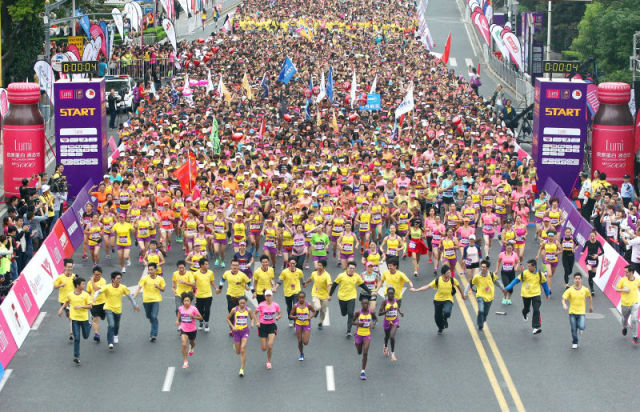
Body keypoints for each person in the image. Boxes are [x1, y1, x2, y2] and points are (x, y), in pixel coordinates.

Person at [410, 265, 466, 334]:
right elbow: (427, 286)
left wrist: (462, 295)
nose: (449, 274)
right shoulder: (437, 280)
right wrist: (416, 290)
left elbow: (458, 286)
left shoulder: (452, 280)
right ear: (443, 274)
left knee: (447, 312)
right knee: (437, 318)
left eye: (450, 272)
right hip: (438, 301)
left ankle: (445, 319)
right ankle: (440, 327)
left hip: (448, 300)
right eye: (448, 273)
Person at [92, 271, 140, 349]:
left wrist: (135, 305)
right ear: (113, 279)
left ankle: (115, 335)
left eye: (120, 278)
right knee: (111, 325)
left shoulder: (123, 287)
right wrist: (95, 297)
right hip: (108, 308)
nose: (119, 280)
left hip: (118, 309)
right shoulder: (107, 287)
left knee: (116, 325)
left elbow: (129, 296)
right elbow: (98, 291)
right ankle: (110, 343)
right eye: (117, 278)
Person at [504, 260, 551, 335]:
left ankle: (536, 327)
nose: (528, 267)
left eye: (529, 266)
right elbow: (516, 280)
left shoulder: (540, 274)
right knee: (526, 308)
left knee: (536, 309)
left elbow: (544, 284)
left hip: (536, 294)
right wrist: (508, 287)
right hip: (526, 294)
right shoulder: (525, 273)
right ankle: (525, 313)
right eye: (528, 266)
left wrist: (547, 294)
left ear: (534, 266)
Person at [329, 261, 371, 338]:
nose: (352, 270)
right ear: (347, 268)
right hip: (342, 297)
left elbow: (362, 284)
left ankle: (348, 331)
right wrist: (330, 295)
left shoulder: (357, 276)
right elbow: (334, 285)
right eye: (350, 268)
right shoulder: (341, 276)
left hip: (352, 297)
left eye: (353, 268)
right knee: (344, 313)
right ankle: (345, 313)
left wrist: (369, 291)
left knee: (351, 313)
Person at [58, 277, 92, 364]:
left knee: (85, 336)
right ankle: (76, 356)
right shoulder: (70, 295)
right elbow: (66, 302)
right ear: (77, 285)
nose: (84, 285)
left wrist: (81, 306)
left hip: (84, 319)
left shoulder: (85, 295)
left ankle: (89, 325)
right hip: (75, 319)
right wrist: (61, 309)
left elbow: (90, 306)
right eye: (83, 284)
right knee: (77, 338)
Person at [466, 260, 506, 331]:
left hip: (489, 297)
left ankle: (482, 319)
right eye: (481, 267)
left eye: (484, 267)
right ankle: (480, 325)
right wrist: (465, 293)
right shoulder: (477, 276)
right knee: (481, 310)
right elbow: (470, 284)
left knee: (485, 313)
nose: (482, 268)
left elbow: (497, 282)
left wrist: (503, 288)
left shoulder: (491, 275)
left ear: (487, 268)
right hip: (480, 296)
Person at [133, 263, 166, 341]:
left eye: (152, 269)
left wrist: (158, 287)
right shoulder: (145, 278)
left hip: (156, 300)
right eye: (149, 269)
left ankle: (153, 334)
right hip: (146, 300)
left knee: (154, 316)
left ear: (155, 270)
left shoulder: (160, 279)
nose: (150, 271)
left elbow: (163, 290)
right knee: (149, 316)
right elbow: (139, 288)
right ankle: (153, 323)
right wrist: (134, 296)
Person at [561, 273, 593, 349]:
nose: (577, 280)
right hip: (572, 312)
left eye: (579, 279)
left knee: (582, 326)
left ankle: (580, 328)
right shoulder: (570, 290)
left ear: (581, 280)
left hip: (581, 312)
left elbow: (590, 297)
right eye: (576, 279)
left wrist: (591, 306)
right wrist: (564, 304)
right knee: (573, 329)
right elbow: (563, 298)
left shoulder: (585, 289)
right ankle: (575, 342)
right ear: (573, 280)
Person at [226, 296, 256, 377]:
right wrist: (232, 327)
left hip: (245, 331)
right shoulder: (234, 310)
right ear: (238, 302)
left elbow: (252, 318)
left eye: (244, 303)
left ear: (246, 303)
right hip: (236, 332)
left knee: (243, 349)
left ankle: (242, 369)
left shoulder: (248, 310)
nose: (242, 304)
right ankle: (235, 347)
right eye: (241, 303)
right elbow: (228, 319)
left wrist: (252, 323)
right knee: (238, 352)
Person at [255, 289, 281, 369]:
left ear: (272, 296)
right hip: (262, 326)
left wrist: (278, 317)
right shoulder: (261, 305)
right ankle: (265, 344)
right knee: (264, 348)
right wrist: (257, 322)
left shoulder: (275, 305)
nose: (268, 297)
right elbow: (254, 313)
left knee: (270, 345)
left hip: (271, 326)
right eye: (267, 296)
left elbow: (280, 313)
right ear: (265, 297)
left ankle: (269, 361)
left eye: (270, 296)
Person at [613, 265, 640, 344]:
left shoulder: (637, 280)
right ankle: (624, 327)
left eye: (626, 272)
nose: (625, 273)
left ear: (631, 272)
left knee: (634, 319)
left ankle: (635, 337)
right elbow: (616, 289)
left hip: (634, 303)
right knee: (625, 319)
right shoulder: (623, 280)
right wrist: (623, 290)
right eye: (625, 271)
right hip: (625, 304)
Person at [193, 258, 221, 332]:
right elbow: (193, 285)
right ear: (201, 265)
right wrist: (193, 294)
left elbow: (212, 282)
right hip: (199, 296)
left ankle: (206, 323)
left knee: (207, 310)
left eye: (207, 264)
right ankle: (201, 322)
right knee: (200, 311)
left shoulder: (210, 272)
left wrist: (216, 289)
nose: (207, 265)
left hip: (208, 295)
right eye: (206, 264)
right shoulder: (195, 274)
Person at [176, 292, 203, 368]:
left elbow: (201, 318)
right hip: (184, 329)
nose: (186, 302)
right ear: (183, 301)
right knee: (184, 344)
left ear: (190, 301)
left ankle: (191, 348)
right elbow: (179, 314)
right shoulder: (181, 308)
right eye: (185, 301)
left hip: (192, 330)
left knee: (192, 343)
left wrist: (193, 317)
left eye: (188, 300)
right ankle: (185, 361)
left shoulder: (194, 309)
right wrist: (177, 320)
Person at [303, 259, 332, 329]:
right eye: (318, 265)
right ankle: (316, 310)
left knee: (323, 311)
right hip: (315, 293)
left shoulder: (327, 275)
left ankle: (321, 322)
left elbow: (329, 285)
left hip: (324, 295)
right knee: (318, 307)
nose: (318, 267)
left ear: (324, 267)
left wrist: (329, 295)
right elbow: (311, 279)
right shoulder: (314, 273)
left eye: (320, 266)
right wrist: (306, 283)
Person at [353, 297, 377, 380]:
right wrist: (358, 323)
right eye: (364, 303)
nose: (365, 305)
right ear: (361, 304)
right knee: (359, 352)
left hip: (367, 334)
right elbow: (352, 322)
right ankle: (356, 344)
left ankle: (363, 371)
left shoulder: (371, 313)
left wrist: (373, 324)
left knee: (365, 352)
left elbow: (375, 319)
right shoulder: (358, 313)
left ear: (369, 304)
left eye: (367, 304)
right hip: (359, 334)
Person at [378, 287, 403, 361]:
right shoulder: (385, 302)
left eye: (392, 293)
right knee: (387, 336)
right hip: (387, 322)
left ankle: (393, 354)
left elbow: (397, 308)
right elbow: (379, 313)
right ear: (387, 294)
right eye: (389, 294)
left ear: (394, 294)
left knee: (392, 336)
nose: (391, 295)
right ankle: (385, 347)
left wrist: (400, 312)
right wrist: (387, 310)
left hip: (395, 321)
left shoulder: (396, 300)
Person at [53, 258, 76, 341]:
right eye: (68, 267)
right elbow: (55, 286)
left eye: (71, 267)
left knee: (71, 316)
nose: (70, 268)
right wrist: (60, 285)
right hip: (63, 300)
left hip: (73, 300)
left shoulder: (74, 277)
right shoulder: (60, 277)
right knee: (69, 315)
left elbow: (79, 287)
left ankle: (71, 333)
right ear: (64, 267)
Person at [290, 291, 316, 361]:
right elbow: (290, 315)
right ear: (298, 298)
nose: (301, 299)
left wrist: (310, 317)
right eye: (300, 298)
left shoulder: (308, 305)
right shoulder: (295, 306)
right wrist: (295, 317)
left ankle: (305, 334)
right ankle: (301, 354)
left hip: (306, 324)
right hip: (298, 324)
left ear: (304, 298)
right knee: (300, 341)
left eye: (302, 298)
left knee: (305, 342)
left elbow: (314, 312)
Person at [279, 258, 304, 327]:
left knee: (295, 306)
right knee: (289, 307)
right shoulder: (284, 272)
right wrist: (275, 287)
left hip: (297, 291)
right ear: (288, 264)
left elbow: (302, 279)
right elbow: (280, 281)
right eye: (291, 263)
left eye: (294, 263)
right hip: (287, 292)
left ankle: (296, 322)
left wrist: (304, 283)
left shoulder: (299, 271)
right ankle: (290, 319)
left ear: (296, 264)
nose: (292, 265)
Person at [86, 267, 106, 343]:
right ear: (93, 274)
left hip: (103, 302)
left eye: (98, 275)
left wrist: (92, 282)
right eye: (95, 275)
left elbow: (96, 289)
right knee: (95, 319)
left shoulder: (103, 281)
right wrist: (90, 300)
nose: (97, 276)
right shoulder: (89, 283)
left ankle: (99, 316)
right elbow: (89, 292)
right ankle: (96, 334)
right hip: (94, 304)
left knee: (103, 318)